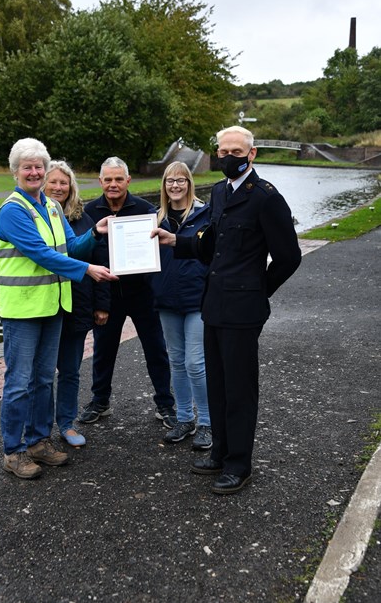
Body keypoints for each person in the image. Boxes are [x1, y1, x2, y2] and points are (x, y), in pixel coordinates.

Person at [152, 126, 301, 495]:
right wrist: (177, 242)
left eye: (237, 151)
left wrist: (258, 289)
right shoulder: (218, 192)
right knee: (216, 384)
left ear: (251, 155)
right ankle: (219, 451)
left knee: (239, 388)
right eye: (223, 150)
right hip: (213, 303)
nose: (228, 156)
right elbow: (212, 244)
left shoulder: (266, 198)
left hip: (243, 308)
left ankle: (239, 464)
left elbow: (288, 257)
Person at [0, 138, 117, 479]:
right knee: (19, 382)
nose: (34, 172)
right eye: (27, 167)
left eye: (39, 166)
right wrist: (87, 270)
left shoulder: (51, 206)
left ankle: (37, 442)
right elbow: (41, 253)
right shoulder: (12, 210)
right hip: (22, 310)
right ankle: (13, 451)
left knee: (44, 379)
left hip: (51, 306)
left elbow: (71, 246)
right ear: (15, 172)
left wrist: (94, 231)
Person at [79, 156, 176, 428]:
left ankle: (165, 404)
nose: (113, 184)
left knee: (156, 348)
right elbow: (84, 254)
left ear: (128, 181)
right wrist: (97, 301)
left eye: (118, 179)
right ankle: (100, 401)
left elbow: (162, 250)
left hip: (142, 292)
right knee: (103, 349)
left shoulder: (147, 210)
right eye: (108, 179)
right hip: (106, 293)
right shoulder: (89, 212)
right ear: (100, 182)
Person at [44, 160, 109, 447]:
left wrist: (102, 304)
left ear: (71, 186)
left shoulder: (84, 219)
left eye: (64, 182)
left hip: (78, 305)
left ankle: (67, 424)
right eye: (53, 182)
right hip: (45, 306)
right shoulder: (33, 218)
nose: (59, 187)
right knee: (43, 374)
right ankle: (41, 430)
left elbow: (100, 261)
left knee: (70, 370)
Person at [151, 161, 212, 450]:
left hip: (197, 297)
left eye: (181, 180)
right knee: (176, 360)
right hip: (166, 299)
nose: (175, 186)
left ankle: (207, 423)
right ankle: (185, 418)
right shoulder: (154, 219)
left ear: (190, 183)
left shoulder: (206, 214)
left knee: (195, 362)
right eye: (169, 181)